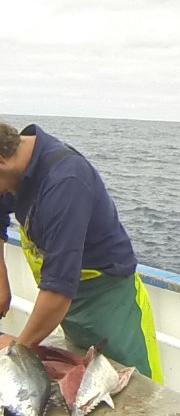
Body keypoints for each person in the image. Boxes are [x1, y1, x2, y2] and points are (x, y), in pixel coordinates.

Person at [0, 122, 162, 380]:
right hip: (70, 309)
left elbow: (58, 292)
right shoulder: (17, 167)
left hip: (111, 306)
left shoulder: (65, 182)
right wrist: (1, 282)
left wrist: (14, 354)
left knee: (137, 392)